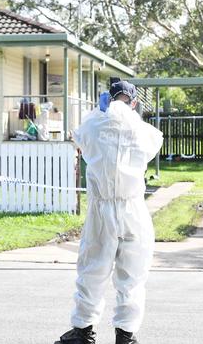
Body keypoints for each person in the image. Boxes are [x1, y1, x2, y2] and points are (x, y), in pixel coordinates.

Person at [54, 81, 164, 344]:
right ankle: (125, 335)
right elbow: (153, 141)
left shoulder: (94, 124)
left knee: (92, 270)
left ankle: (82, 331)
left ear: (107, 98)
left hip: (102, 210)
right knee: (133, 275)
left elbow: (78, 137)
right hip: (133, 209)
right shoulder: (143, 131)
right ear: (134, 102)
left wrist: (99, 113)